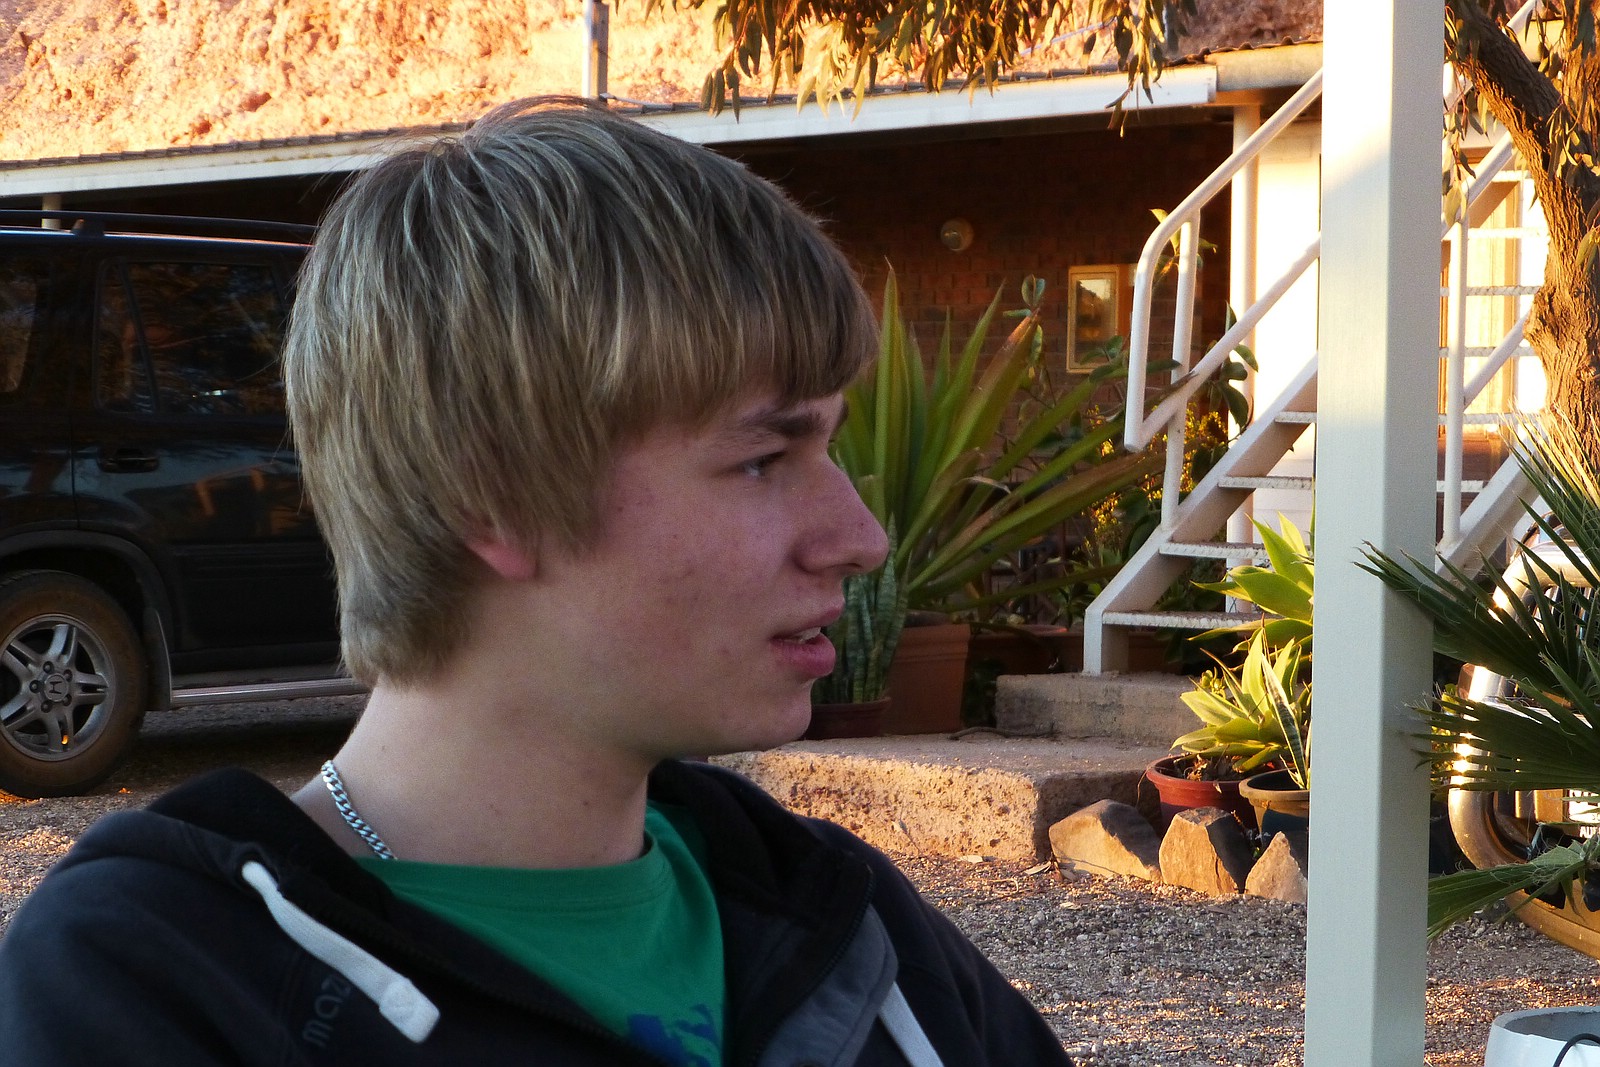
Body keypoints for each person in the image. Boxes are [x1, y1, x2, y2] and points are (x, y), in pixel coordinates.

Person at [0, 97, 1073, 1066]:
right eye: (761, 458)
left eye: (828, 447)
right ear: (491, 496)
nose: (861, 537)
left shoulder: (843, 920)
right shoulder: (154, 984)